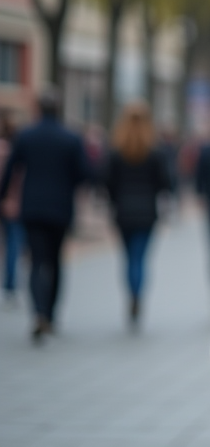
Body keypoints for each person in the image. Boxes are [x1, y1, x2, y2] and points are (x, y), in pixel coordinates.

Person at [0, 90, 91, 342]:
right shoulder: (71, 138)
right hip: (60, 208)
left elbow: (11, 169)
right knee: (55, 260)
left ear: (38, 108)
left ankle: (38, 311)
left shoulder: (26, 136)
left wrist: (3, 194)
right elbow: (84, 173)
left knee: (36, 260)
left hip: (33, 207)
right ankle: (50, 314)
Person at [103, 100, 171, 328]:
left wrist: (113, 200)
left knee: (127, 257)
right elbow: (165, 182)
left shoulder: (116, 150)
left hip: (122, 211)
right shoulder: (154, 151)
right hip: (146, 212)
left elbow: (107, 182)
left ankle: (130, 294)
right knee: (140, 257)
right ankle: (137, 295)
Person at [0, 112, 22, 307]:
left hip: (9, 201)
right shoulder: (15, 151)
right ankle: (9, 285)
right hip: (13, 203)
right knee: (13, 244)